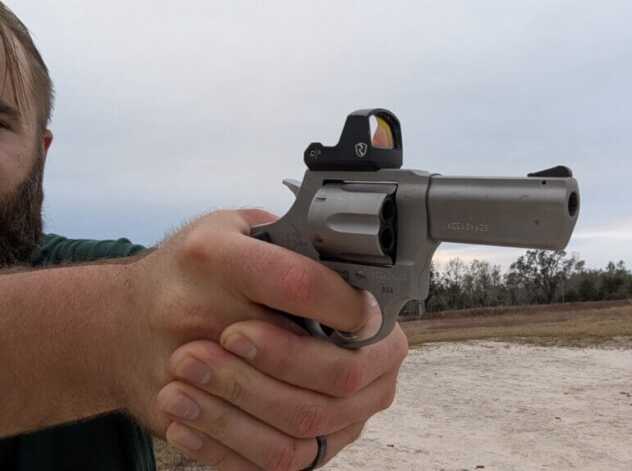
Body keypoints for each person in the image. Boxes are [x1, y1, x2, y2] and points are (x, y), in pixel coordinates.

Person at [0, 3, 409, 470]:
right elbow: (138, 308)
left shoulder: (100, 270)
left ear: (41, 150)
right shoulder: (120, 300)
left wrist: (327, 319)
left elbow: (183, 290)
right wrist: (120, 330)